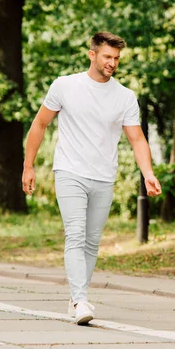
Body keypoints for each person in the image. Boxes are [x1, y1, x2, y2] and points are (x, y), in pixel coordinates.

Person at [22, 31, 162, 324]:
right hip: (69, 171)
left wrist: (147, 173)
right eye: (107, 56)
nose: (112, 63)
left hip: (103, 176)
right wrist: (28, 165)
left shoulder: (125, 96)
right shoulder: (65, 86)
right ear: (92, 55)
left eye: (116, 58)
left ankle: (76, 297)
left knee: (92, 241)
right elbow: (40, 124)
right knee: (75, 233)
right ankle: (81, 301)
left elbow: (136, 139)